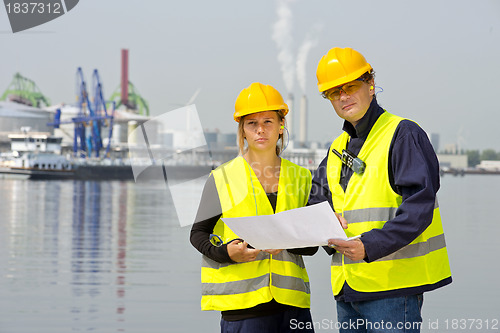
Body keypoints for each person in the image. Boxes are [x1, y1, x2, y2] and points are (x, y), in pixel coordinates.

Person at [309, 47, 452, 332]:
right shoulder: (337, 149)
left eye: (350, 87)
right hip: (348, 290)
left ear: (371, 84)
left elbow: (419, 208)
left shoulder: (403, 134)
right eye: (334, 92)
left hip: (392, 290)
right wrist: (323, 222)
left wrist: (369, 246)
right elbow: (316, 202)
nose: (343, 97)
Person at [190, 82, 317, 333]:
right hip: (243, 311)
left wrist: (288, 240)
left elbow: (312, 244)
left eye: (268, 121)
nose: (261, 130)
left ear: (281, 127)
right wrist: (227, 253)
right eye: (252, 123)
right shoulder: (222, 177)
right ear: (243, 130)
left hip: (294, 307)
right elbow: (197, 234)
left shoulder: (302, 177)